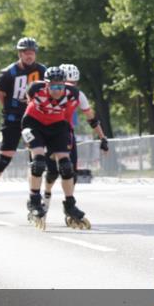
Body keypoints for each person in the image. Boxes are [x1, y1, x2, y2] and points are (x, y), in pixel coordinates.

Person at [21, 66, 103, 229]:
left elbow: (89, 117)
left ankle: (70, 205)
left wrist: (102, 137)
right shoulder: (35, 89)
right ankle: (34, 200)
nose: (57, 90)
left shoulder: (74, 93)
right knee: (38, 162)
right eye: (53, 86)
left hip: (57, 126)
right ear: (46, 85)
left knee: (66, 166)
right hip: (34, 124)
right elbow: (26, 106)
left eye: (60, 86)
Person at [0, 37, 47, 216]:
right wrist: (11, 109)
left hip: (33, 119)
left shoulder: (42, 71)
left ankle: (34, 198)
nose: (29, 56)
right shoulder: (9, 73)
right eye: (26, 53)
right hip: (12, 119)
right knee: (4, 159)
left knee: (37, 161)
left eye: (32, 53)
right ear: (19, 54)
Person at [40, 63, 109, 211]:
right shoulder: (44, 93)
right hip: (47, 133)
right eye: (67, 83)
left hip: (66, 133)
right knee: (52, 172)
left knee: (70, 171)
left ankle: (69, 204)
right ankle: (46, 196)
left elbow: (92, 119)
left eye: (74, 83)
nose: (70, 87)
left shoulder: (78, 95)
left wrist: (102, 137)